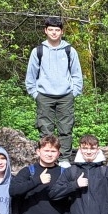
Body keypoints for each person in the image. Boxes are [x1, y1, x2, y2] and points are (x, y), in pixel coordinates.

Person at [25, 16, 83, 161]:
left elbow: (77, 73)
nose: (54, 33)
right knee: (45, 131)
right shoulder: (38, 51)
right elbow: (30, 75)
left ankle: (63, 160)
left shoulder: (70, 50)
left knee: (66, 130)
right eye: (51, 30)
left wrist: (73, 92)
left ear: (62, 32)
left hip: (65, 96)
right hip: (44, 96)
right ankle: (47, 158)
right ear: (45, 31)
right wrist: (35, 94)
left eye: (57, 30)